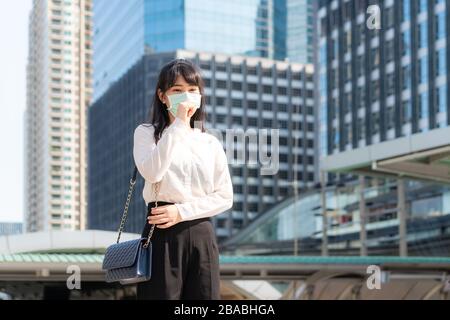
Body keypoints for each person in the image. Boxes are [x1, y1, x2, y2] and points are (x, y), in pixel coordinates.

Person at [133, 58, 233, 300]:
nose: (186, 96)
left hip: (201, 230)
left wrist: (181, 212)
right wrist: (178, 124)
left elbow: (224, 197)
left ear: (200, 96)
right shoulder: (147, 133)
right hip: (162, 230)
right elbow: (152, 172)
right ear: (162, 95)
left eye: (192, 90)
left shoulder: (209, 142)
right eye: (177, 90)